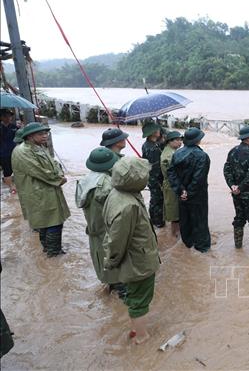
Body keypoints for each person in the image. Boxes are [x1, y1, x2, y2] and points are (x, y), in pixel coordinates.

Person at [102, 157, 160, 345]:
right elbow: (117, 241)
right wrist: (111, 261)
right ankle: (141, 336)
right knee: (140, 299)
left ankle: (135, 329)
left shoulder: (117, 193)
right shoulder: (128, 205)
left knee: (135, 295)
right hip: (138, 261)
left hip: (134, 258)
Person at [11, 122, 70, 256]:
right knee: (52, 222)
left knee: (47, 220)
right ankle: (54, 253)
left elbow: (54, 164)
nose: (45, 136)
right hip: (37, 192)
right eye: (41, 134)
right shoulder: (23, 151)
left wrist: (59, 175)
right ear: (30, 136)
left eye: (46, 133)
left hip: (47, 190)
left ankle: (48, 251)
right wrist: (59, 180)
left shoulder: (38, 147)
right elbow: (38, 171)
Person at [75, 147, 126, 298]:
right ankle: (121, 296)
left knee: (102, 260)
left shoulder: (85, 180)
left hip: (94, 229)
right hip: (108, 230)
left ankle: (111, 289)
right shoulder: (108, 185)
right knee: (119, 266)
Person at [167, 127, 211, 252]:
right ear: (198, 140)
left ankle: (187, 243)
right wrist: (188, 192)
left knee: (185, 219)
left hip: (182, 195)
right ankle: (202, 248)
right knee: (200, 220)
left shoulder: (177, 153)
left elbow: (171, 173)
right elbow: (199, 178)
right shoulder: (202, 156)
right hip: (197, 195)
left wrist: (181, 191)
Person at [223, 125, 249, 249]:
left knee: (239, 218)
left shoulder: (232, 151)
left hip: (237, 194)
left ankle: (238, 247)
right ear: (248, 138)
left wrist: (233, 186)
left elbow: (226, 170)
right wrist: (240, 187)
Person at [141, 122, 165, 228]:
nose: (160, 131)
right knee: (157, 199)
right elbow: (156, 167)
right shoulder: (152, 148)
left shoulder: (150, 144)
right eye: (157, 130)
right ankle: (157, 221)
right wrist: (159, 182)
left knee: (155, 198)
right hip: (155, 178)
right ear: (153, 133)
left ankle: (154, 219)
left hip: (150, 177)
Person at [160, 130, 182, 237]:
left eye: (180, 140)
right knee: (174, 213)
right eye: (177, 140)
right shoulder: (168, 155)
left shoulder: (172, 151)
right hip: (171, 185)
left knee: (176, 211)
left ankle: (176, 236)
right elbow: (173, 173)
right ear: (170, 141)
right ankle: (175, 236)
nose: (180, 142)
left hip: (173, 184)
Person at [0, 109, 19, 193]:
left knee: (17, 169)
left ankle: (18, 185)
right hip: (3, 153)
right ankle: (11, 187)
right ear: (1, 117)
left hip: (15, 152)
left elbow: (20, 138)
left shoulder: (15, 128)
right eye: (5, 116)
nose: (8, 118)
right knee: (7, 171)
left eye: (9, 116)